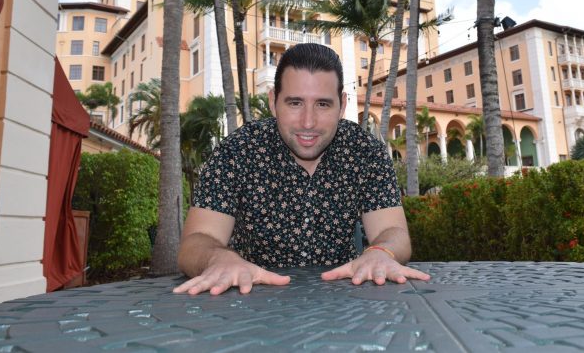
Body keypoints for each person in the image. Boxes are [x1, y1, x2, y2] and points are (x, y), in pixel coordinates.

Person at [174, 43, 429, 295]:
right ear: (273, 101)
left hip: (344, 300)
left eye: (323, 104)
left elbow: (393, 232)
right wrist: (218, 259)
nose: (308, 122)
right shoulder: (237, 151)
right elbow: (197, 240)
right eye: (295, 103)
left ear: (341, 104)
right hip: (252, 299)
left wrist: (381, 253)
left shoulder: (365, 151)